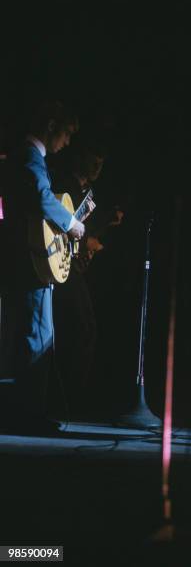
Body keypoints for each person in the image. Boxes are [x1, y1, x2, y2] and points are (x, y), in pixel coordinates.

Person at [1, 101, 83, 433]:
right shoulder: (29, 156)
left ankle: (28, 413)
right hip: (30, 261)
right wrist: (72, 223)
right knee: (38, 335)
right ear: (51, 125)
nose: (67, 142)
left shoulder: (28, 157)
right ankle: (29, 416)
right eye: (65, 134)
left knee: (36, 333)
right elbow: (40, 195)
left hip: (29, 258)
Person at [51, 140, 123, 417]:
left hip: (71, 265)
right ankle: (68, 401)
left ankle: (68, 400)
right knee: (81, 328)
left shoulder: (89, 193)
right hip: (58, 266)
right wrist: (85, 244)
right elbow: (58, 227)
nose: (97, 167)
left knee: (80, 329)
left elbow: (86, 232)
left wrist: (94, 239)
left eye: (101, 163)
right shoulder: (63, 185)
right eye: (93, 160)